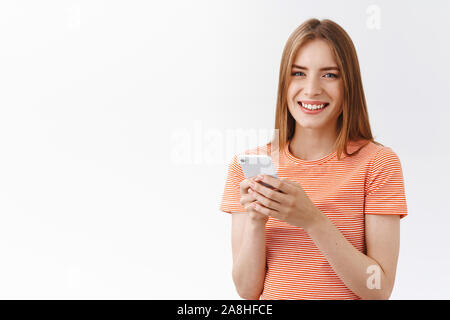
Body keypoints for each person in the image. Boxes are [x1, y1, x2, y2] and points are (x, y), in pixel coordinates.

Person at [219, 18, 408, 300]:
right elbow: (247, 291)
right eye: (298, 73)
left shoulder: (378, 164)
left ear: (349, 86)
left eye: (329, 75)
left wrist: (312, 220)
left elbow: (378, 289)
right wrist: (257, 222)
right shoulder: (247, 166)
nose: (311, 89)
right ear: (284, 81)